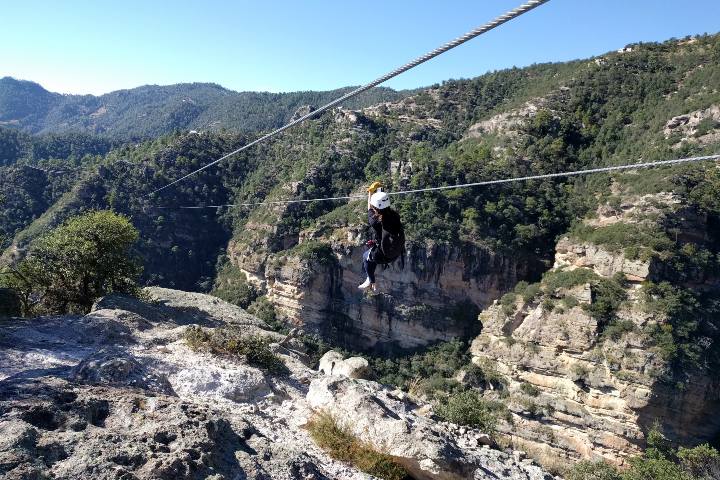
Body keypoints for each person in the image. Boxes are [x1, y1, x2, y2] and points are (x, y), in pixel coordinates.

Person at [358, 182, 405, 291]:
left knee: (366, 256)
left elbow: (369, 208)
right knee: (372, 253)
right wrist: (380, 191)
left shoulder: (375, 221)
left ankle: (371, 280)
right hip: (396, 252)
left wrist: (370, 192)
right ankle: (370, 279)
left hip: (384, 255)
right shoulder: (395, 215)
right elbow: (383, 205)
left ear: (376, 207)